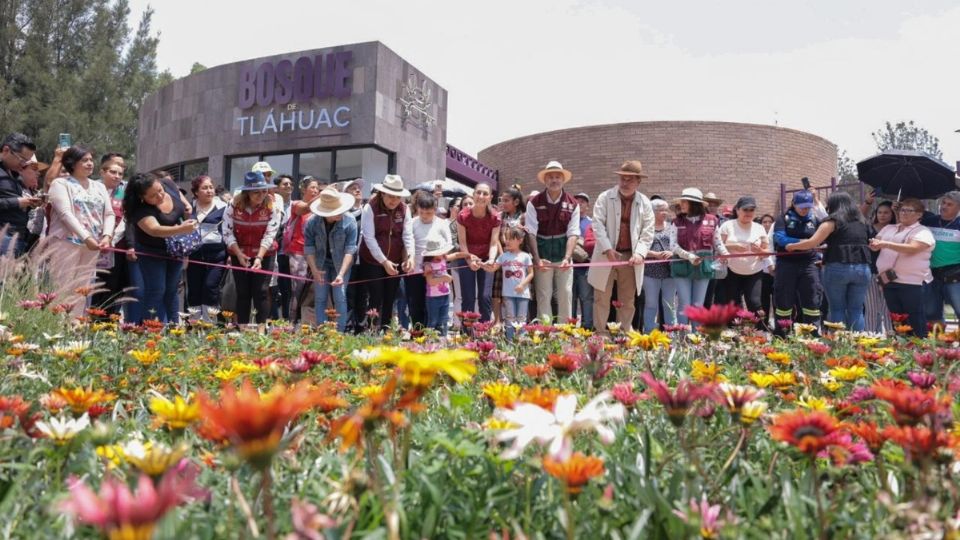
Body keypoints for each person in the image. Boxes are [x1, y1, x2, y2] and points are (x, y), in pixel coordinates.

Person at [787, 192, 873, 331]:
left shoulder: (831, 221)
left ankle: (839, 345)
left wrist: (792, 246)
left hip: (837, 268)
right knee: (856, 310)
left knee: (837, 309)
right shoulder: (862, 221)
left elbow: (812, 242)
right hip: (862, 269)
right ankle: (859, 345)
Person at [46, 146, 115, 316]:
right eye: (84, 160)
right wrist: (86, 237)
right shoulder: (60, 183)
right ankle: (58, 327)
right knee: (63, 286)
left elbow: (109, 213)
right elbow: (65, 214)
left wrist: (106, 235)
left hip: (92, 245)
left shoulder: (99, 187)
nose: (90, 163)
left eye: (91, 160)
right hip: (65, 242)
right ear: (71, 163)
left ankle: (75, 325)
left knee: (82, 288)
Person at [587, 161, 655, 332]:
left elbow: (648, 231)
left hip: (630, 258)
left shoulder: (645, 203)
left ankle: (624, 333)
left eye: (630, 180)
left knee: (627, 299)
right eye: (622, 179)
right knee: (601, 297)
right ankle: (600, 333)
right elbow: (597, 225)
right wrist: (608, 248)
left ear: (638, 182)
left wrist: (640, 253)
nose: (625, 183)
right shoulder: (604, 197)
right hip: (606, 254)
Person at [122, 173, 197, 323]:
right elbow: (155, 230)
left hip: (175, 250)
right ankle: (147, 329)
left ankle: (174, 328)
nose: (160, 196)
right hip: (151, 252)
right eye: (153, 196)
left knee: (172, 290)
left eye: (160, 190)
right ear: (142, 198)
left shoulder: (167, 184)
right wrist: (181, 229)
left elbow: (184, 204)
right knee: (156, 290)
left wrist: (188, 209)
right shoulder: (140, 209)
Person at [222, 171, 282, 325]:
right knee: (243, 293)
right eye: (256, 192)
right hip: (239, 253)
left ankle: (261, 330)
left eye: (264, 190)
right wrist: (239, 254)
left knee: (261, 292)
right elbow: (227, 232)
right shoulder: (233, 205)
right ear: (247, 192)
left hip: (265, 255)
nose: (261, 195)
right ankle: (243, 329)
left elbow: (270, 234)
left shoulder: (272, 207)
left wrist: (259, 257)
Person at [870, 198, 935, 338]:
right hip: (889, 281)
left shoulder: (923, 231)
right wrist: (874, 244)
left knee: (915, 318)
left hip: (912, 283)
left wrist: (886, 244)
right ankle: (902, 348)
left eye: (909, 210)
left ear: (919, 214)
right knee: (897, 319)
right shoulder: (889, 228)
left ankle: (921, 350)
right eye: (902, 210)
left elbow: (913, 248)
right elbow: (877, 243)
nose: (904, 213)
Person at [357, 175, 414, 330]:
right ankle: (370, 331)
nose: (393, 200)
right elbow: (368, 237)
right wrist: (383, 261)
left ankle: (386, 331)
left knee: (390, 296)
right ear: (382, 193)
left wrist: (410, 256)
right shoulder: (370, 207)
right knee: (376, 296)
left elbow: (407, 235)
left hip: (395, 259)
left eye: (397, 196)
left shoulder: (405, 209)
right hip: (371, 260)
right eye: (390, 196)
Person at [527, 161, 580, 322]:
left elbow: (573, 233)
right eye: (550, 177)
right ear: (545, 180)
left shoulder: (573, 203)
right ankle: (545, 331)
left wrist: (567, 258)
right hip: (543, 257)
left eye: (558, 177)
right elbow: (531, 233)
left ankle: (565, 331)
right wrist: (537, 260)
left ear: (563, 179)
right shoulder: (534, 202)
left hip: (563, 256)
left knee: (565, 293)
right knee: (544, 294)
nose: (554, 180)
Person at [641, 198, 699, 332]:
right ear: (652, 212)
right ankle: (649, 332)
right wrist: (655, 254)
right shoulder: (645, 228)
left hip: (670, 272)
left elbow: (679, 246)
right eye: (661, 210)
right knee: (651, 304)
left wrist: (671, 252)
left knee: (669, 304)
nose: (665, 213)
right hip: (650, 272)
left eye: (666, 210)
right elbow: (639, 247)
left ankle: (671, 333)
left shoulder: (672, 226)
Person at [304, 188, 357, 331]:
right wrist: (314, 270)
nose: (339, 213)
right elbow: (309, 248)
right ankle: (322, 332)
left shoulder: (350, 221)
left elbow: (350, 250)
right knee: (320, 297)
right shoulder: (312, 222)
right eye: (335, 212)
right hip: (320, 263)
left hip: (341, 264)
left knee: (340, 296)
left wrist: (341, 274)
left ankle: (339, 333)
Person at [771, 191, 822, 335]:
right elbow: (781, 239)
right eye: (802, 207)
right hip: (786, 264)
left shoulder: (815, 219)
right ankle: (782, 333)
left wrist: (803, 244)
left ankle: (812, 334)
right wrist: (805, 242)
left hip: (809, 263)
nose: (805, 210)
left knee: (812, 298)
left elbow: (821, 238)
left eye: (808, 207)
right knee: (784, 301)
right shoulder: (783, 219)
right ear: (794, 204)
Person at [715, 196, 769, 322]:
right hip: (732, 270)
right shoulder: (727, 225)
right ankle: (734, 334)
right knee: (733, 304)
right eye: (746, 210)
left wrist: (760, 251)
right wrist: (733, 246)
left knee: (754, 302)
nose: (749, 213)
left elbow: (767, 252)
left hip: (754, 270)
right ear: (737, 210)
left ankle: (758, 333)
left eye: (752, 210)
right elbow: (718, 246)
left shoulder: (759, 227)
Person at [671, 188, 718, 325]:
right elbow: (673, 245)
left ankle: (695, 340)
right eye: (681, 202)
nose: (682, 204)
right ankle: (682, 337)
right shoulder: (676, 222)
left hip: (703, 267)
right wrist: (689, 256)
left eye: (685, 202)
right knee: (684, 304)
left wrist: (725, 254)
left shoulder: (712, 220)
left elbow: (718, 242)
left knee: (698, 305)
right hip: (681, 266)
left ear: (694, 203)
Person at [185, 175, 227, 320]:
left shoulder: (224, 207)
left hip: (217, 257)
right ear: (196, 192)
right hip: (194, 256)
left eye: (211, 187)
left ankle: (210, 324)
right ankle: (194, 325)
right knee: (194, 290)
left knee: (210, 288)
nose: (209, 191)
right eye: (204, 188)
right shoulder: (189, 207)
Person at [457, 182, 501, 322]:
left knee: (485, 296)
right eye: (478, 192)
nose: (481, 196)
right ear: (473, 194)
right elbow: (462, 242)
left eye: (485, 194)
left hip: (486, 257)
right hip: (466, 256)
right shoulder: (463, 216)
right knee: (468, 297)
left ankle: (485, 334)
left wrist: (492, 260)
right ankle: (467, 335)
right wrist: (469, 259)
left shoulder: (495, 217)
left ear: (490, 197)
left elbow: (494, 243)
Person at [408, 192, 451, 328]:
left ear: (435, 209)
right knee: (416, 305)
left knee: (433, 306)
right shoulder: (412, 222)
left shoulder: (442, 223)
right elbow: (407, 243)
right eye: (422, 212)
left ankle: (434, 336)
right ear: (417, 209)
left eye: (429, 213)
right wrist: (408, 259)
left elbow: (448, 245)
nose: (425, 216)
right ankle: (417, 336)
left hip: (436, 271)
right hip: (415, 270)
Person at [283, 176, 322, 321]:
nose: (316, 191)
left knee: (312, 290)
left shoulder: (319, 209)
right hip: (298, 252)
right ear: (303, 189)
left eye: (317, 188)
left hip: (315, 254)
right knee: (297, 289)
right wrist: (322, 197)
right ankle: (291, 321)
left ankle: (307, 321)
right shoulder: (296, 204)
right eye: (312, 187)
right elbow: (305, 209)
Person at [485, 226, 534, 340]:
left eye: (511, 239)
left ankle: (521, 341)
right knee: (509, 317)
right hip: (507, 293)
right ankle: (510, 341)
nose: (507, 241)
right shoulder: (503, 257)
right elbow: (492, 269)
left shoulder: (526, 256)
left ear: (520, 240)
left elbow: (531, 273)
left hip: (523, 294)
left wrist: (522, 285)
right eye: (506, 238)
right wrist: (483, 266)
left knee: (522, 318)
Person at [920, 191, 960, 328]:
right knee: (931, 313)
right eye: (943, 202)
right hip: (931, 275)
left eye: (949, 204)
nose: (944, 206)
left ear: (958, 208)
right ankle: (937, 346)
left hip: (955, 276)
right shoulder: (929, 221)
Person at [0, 132, 42, 256]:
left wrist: (31, 203)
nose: (23, 164)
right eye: (22, 159)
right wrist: (19, 202)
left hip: (18, 236)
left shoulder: (15, 174)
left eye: (27, 161)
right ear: (6, 150)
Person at [492, 187, 525, 327]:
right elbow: (496, 238)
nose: (503, 203)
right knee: (497, 290)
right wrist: (502, 256)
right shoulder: (499, 217)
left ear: (516, 202)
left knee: (516, 289)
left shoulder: (523, 217)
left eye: (506, 200)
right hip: (502, 259)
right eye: (501, 200)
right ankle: (497, 320)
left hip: (517, 260)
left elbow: (526, 239)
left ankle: (517, 321)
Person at [864, 200, 896, 333]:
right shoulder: (868, 228)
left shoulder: (896, 229)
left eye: (886, 212)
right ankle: (871, 338)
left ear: (892, 214)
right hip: (870, 271)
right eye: (880, 212)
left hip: (889, 272)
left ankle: (891, 337)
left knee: (888, 307)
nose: (882, 215)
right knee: (871, 307)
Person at [270, 173, 295, 320]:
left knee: (287, 289)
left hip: (289, 253)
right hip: (274, 250)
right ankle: (272, 318)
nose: (288, 186)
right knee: (273, 288)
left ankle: (287, 319)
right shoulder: (273, 204)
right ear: (277, 188)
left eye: (290, 184)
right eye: (285, 184)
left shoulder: (296, 206)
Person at [422, 236, 456, 336]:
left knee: (444, 320)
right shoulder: (428, 264)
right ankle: (430, 342)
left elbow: (456, 255)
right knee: (433, 321)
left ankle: (443, 340)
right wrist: (444, 278)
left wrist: (468, 255)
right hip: (433, 298)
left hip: (445, 296)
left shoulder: (443, 259)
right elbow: (430, 281)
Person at [572, 192, 596, 328]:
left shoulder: (591, 223)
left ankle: (587, 327)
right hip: (569, 266)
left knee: (587, 298)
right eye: (577, 201)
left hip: (585, 266)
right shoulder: (568, 221)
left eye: (583, 201)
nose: (579, 204)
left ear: (588, 205)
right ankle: (570, 326)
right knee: (571, 298)